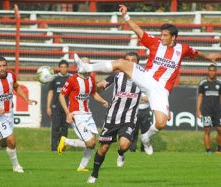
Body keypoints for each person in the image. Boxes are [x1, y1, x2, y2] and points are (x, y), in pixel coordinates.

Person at [73, 4, 221, 155]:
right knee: (122, 63)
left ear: (173, 37)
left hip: (161, 90)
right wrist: (126, 16)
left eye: (165, 35)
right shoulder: (155, 43)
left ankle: (146, 137)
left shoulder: (182, 49)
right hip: (147, 77)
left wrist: (209, 56)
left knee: (161, 123)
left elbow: (196, 53)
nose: (161, 37)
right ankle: (86, 68)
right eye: (161, 34)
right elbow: (138, 30)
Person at [87, 52, 142, 183]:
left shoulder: (143, 78)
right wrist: (97, 86)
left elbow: (155, 93)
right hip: (112, 118)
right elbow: (101, 86)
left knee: (123, 145)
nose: (129, 62)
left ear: (137, 63)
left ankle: (121, 154)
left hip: (129, 118)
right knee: (104, 148)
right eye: (127, 60)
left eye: (133, 60)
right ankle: (94, 174)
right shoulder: (117, 75)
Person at [0, 56, 37, 173]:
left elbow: (16, 87)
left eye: (4, 65)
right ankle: (16, 166)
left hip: (9, 113)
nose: (2, 68)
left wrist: (26, 100)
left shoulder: (11, 75)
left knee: (7, 141)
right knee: (11, 140)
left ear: (7, 66)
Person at [58, 57, 109, 172]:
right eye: (86, 64)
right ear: (80, 66)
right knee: (90, 142)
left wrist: (104, 102)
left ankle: (82, 167)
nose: (89, 67)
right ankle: (66, 141)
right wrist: (68, 113)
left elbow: (94, 93)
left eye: (89, 65)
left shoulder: (90, 79)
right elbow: (61, 95)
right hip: (76, 114)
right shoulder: (72, 80)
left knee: (93, 142)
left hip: (87, 114)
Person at [46, 60, 72, 152]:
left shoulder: (71, 78)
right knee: (55, 128)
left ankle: (62, 148)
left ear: (67, 68)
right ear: (59, 68)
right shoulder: (54, 78)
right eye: (61, 67)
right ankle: (53, 148)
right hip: (56, 107)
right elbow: (50, 92)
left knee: (65, 129)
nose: (63, 69)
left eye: (65, 67)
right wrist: (48, 107)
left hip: (67, 109)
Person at [196, 64, 221, 153]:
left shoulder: (219, 83)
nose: (212, 72)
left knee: (219, 129)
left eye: (213, 70)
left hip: (218, 111)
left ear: (216, 72)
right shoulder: (203, 83)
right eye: (210, 70)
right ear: (208, 71)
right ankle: (208, 151)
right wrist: (198, 110)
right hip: (206, 111)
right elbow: (200, 96)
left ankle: (219, 149)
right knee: (207, 130)